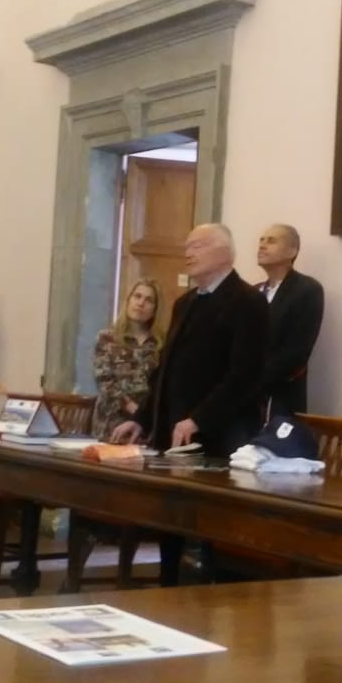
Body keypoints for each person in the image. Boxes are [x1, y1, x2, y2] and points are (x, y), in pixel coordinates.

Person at [110, 223, 269, 585]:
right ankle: (168, 590)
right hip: (175, 433)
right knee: (171, 521)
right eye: (187, 245)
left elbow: (245, 375)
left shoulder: (247, 301)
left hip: (219, 434)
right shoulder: (186, 302)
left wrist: (199, 418)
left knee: (211, 527)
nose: (188, 252)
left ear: (224, 253)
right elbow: (165, 369)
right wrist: (144, 419)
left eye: (197, 245)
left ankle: (205, 597)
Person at [255, 223, 324, 415]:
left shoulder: (307, 290)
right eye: (261, 240)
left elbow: (296, 352)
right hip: (244, 396)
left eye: (271, 241)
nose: (262, 245)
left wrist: (251, 381)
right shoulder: (253, 292)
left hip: (280, 395)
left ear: (292, 251)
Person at [92, 279, 164, 439]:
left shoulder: (160, 344)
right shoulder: (107, 338)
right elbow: (104, 381)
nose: (141, 303)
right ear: (128, 300)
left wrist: (144, 415)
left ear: (155, 309)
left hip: (146, 426)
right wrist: (131, 407)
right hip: (111, 423)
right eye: (137, 296)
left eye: (148, 300)